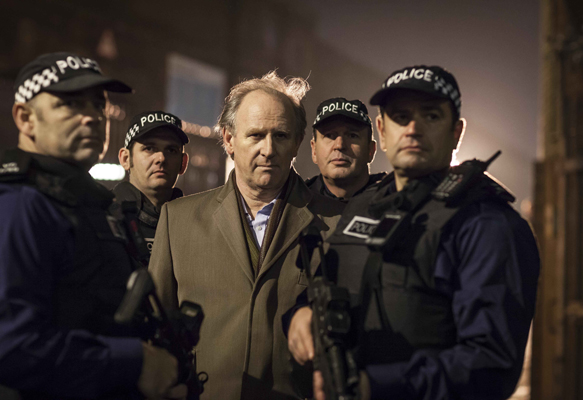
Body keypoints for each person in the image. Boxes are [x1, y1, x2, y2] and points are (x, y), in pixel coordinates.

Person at [287, 65, 540, 400]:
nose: (413, 129)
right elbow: (326, 283)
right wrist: (300, 314)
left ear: (456, 132)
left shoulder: (487, 225)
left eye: (431, 116)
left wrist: (376, 386)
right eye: (401, 116)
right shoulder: (363, 205)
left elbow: (491, 365)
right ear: (383, 131)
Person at [148, 71, 345, 400]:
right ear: (228, 139)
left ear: (297, 142)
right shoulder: (177, 220)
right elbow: (156, 332)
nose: (268, 149)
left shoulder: (338, 225)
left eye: (280, 136)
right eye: (256, 135)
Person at [0, 52, 184, 399]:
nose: (92, 117)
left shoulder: (84, 201)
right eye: (70, 104)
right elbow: (11, 345)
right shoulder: (21, 204)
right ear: (26, 118)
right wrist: (134, 363)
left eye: (99, 105)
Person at [114, 110, 189, 254]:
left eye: (171, 150)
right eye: (149, 148)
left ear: (183, 163)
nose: (161, 158)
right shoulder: (103, 218)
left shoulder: (199, 225)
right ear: (125, 159)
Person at [305, 97, 385, 201]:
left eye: (352, 135)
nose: (339, 145)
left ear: (371, 150)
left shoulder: (396, 200)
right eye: (329, 136)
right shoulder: (293, 202)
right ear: (314, 150)